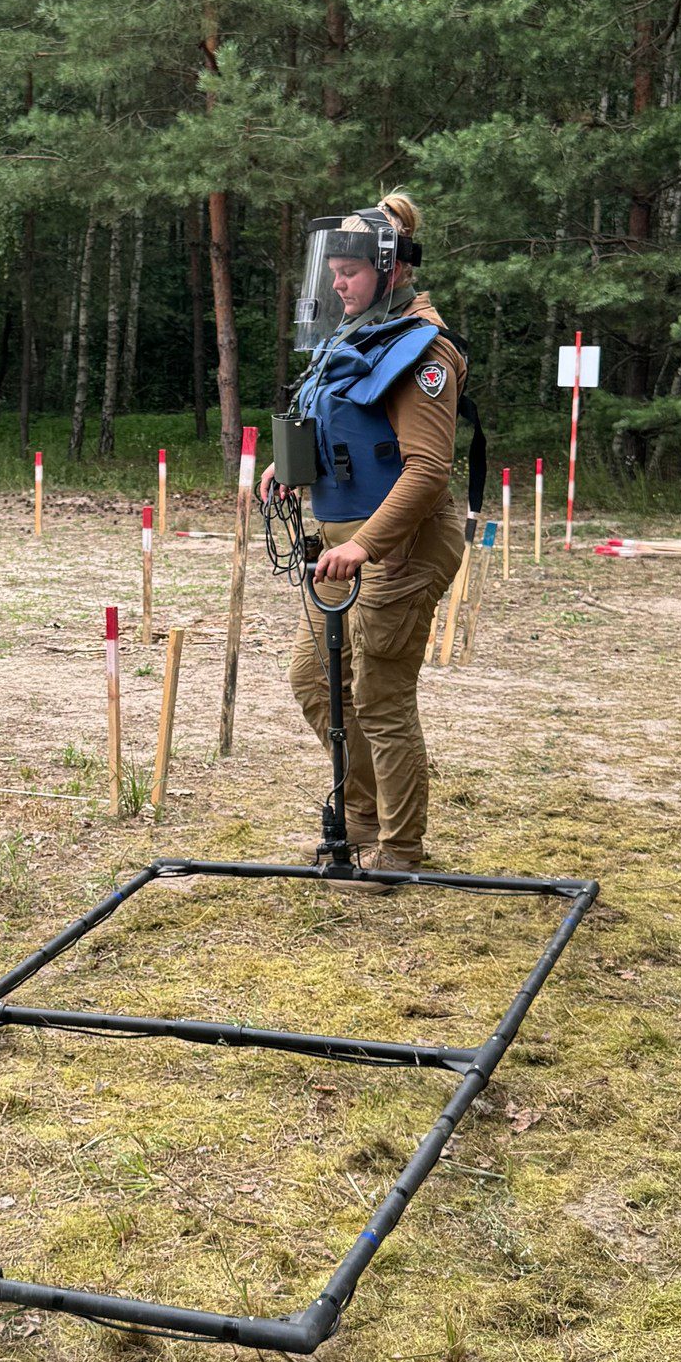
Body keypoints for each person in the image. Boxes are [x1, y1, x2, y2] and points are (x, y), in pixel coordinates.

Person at [260, 193, 466, 877]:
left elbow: (429, 469)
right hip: (341, 546)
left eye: (350, 271)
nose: (337, 282)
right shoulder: (350, 338)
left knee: (380, 695)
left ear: (392, 271)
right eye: (334, 269)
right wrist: (289, 468)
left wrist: (364, 546)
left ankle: (400, 849)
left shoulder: (423, 349)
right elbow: (342, 430)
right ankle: (361, 817)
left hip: (399, 545)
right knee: (315, 683)